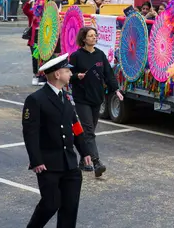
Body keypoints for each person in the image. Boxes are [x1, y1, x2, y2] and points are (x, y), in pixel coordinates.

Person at [22, 54, 92, 228]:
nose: (70, 74)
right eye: (67, 71)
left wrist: (85, 152)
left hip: (69, 163)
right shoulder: (36, 100)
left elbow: (75, 126)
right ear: (57, 75)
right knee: (50, 204)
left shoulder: (66, 97)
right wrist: (36, 160)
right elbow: (30, 133)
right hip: (48, 164)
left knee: (70, 208)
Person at [69, 27, 124, 176]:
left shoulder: (100, 55)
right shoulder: (76, 56)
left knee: (90, 131)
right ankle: (96, 162)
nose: (94, 38)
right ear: (84, 39)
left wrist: (116, 90)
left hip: (97, 97)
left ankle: (82, 158)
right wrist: (76, 76)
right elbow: (68, 74)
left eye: (95, 35)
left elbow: (108, 74)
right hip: (82, 98)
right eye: (91, 36)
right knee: (88, 130)